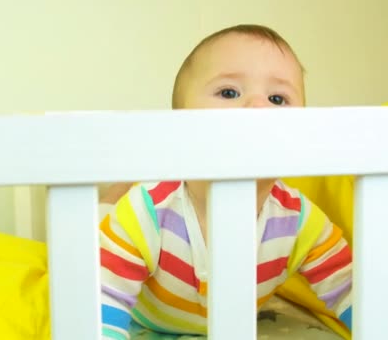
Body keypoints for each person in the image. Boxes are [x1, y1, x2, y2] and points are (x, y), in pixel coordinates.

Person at [99, 24, 352, 339]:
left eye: (277, 98)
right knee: (96, 233)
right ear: (179, 125)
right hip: (149, 315)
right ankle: (115, 191)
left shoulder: (298, 221)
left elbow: (350, 289)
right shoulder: (148, 211)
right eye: (230, 92)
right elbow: (102, 292)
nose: (258, 106)